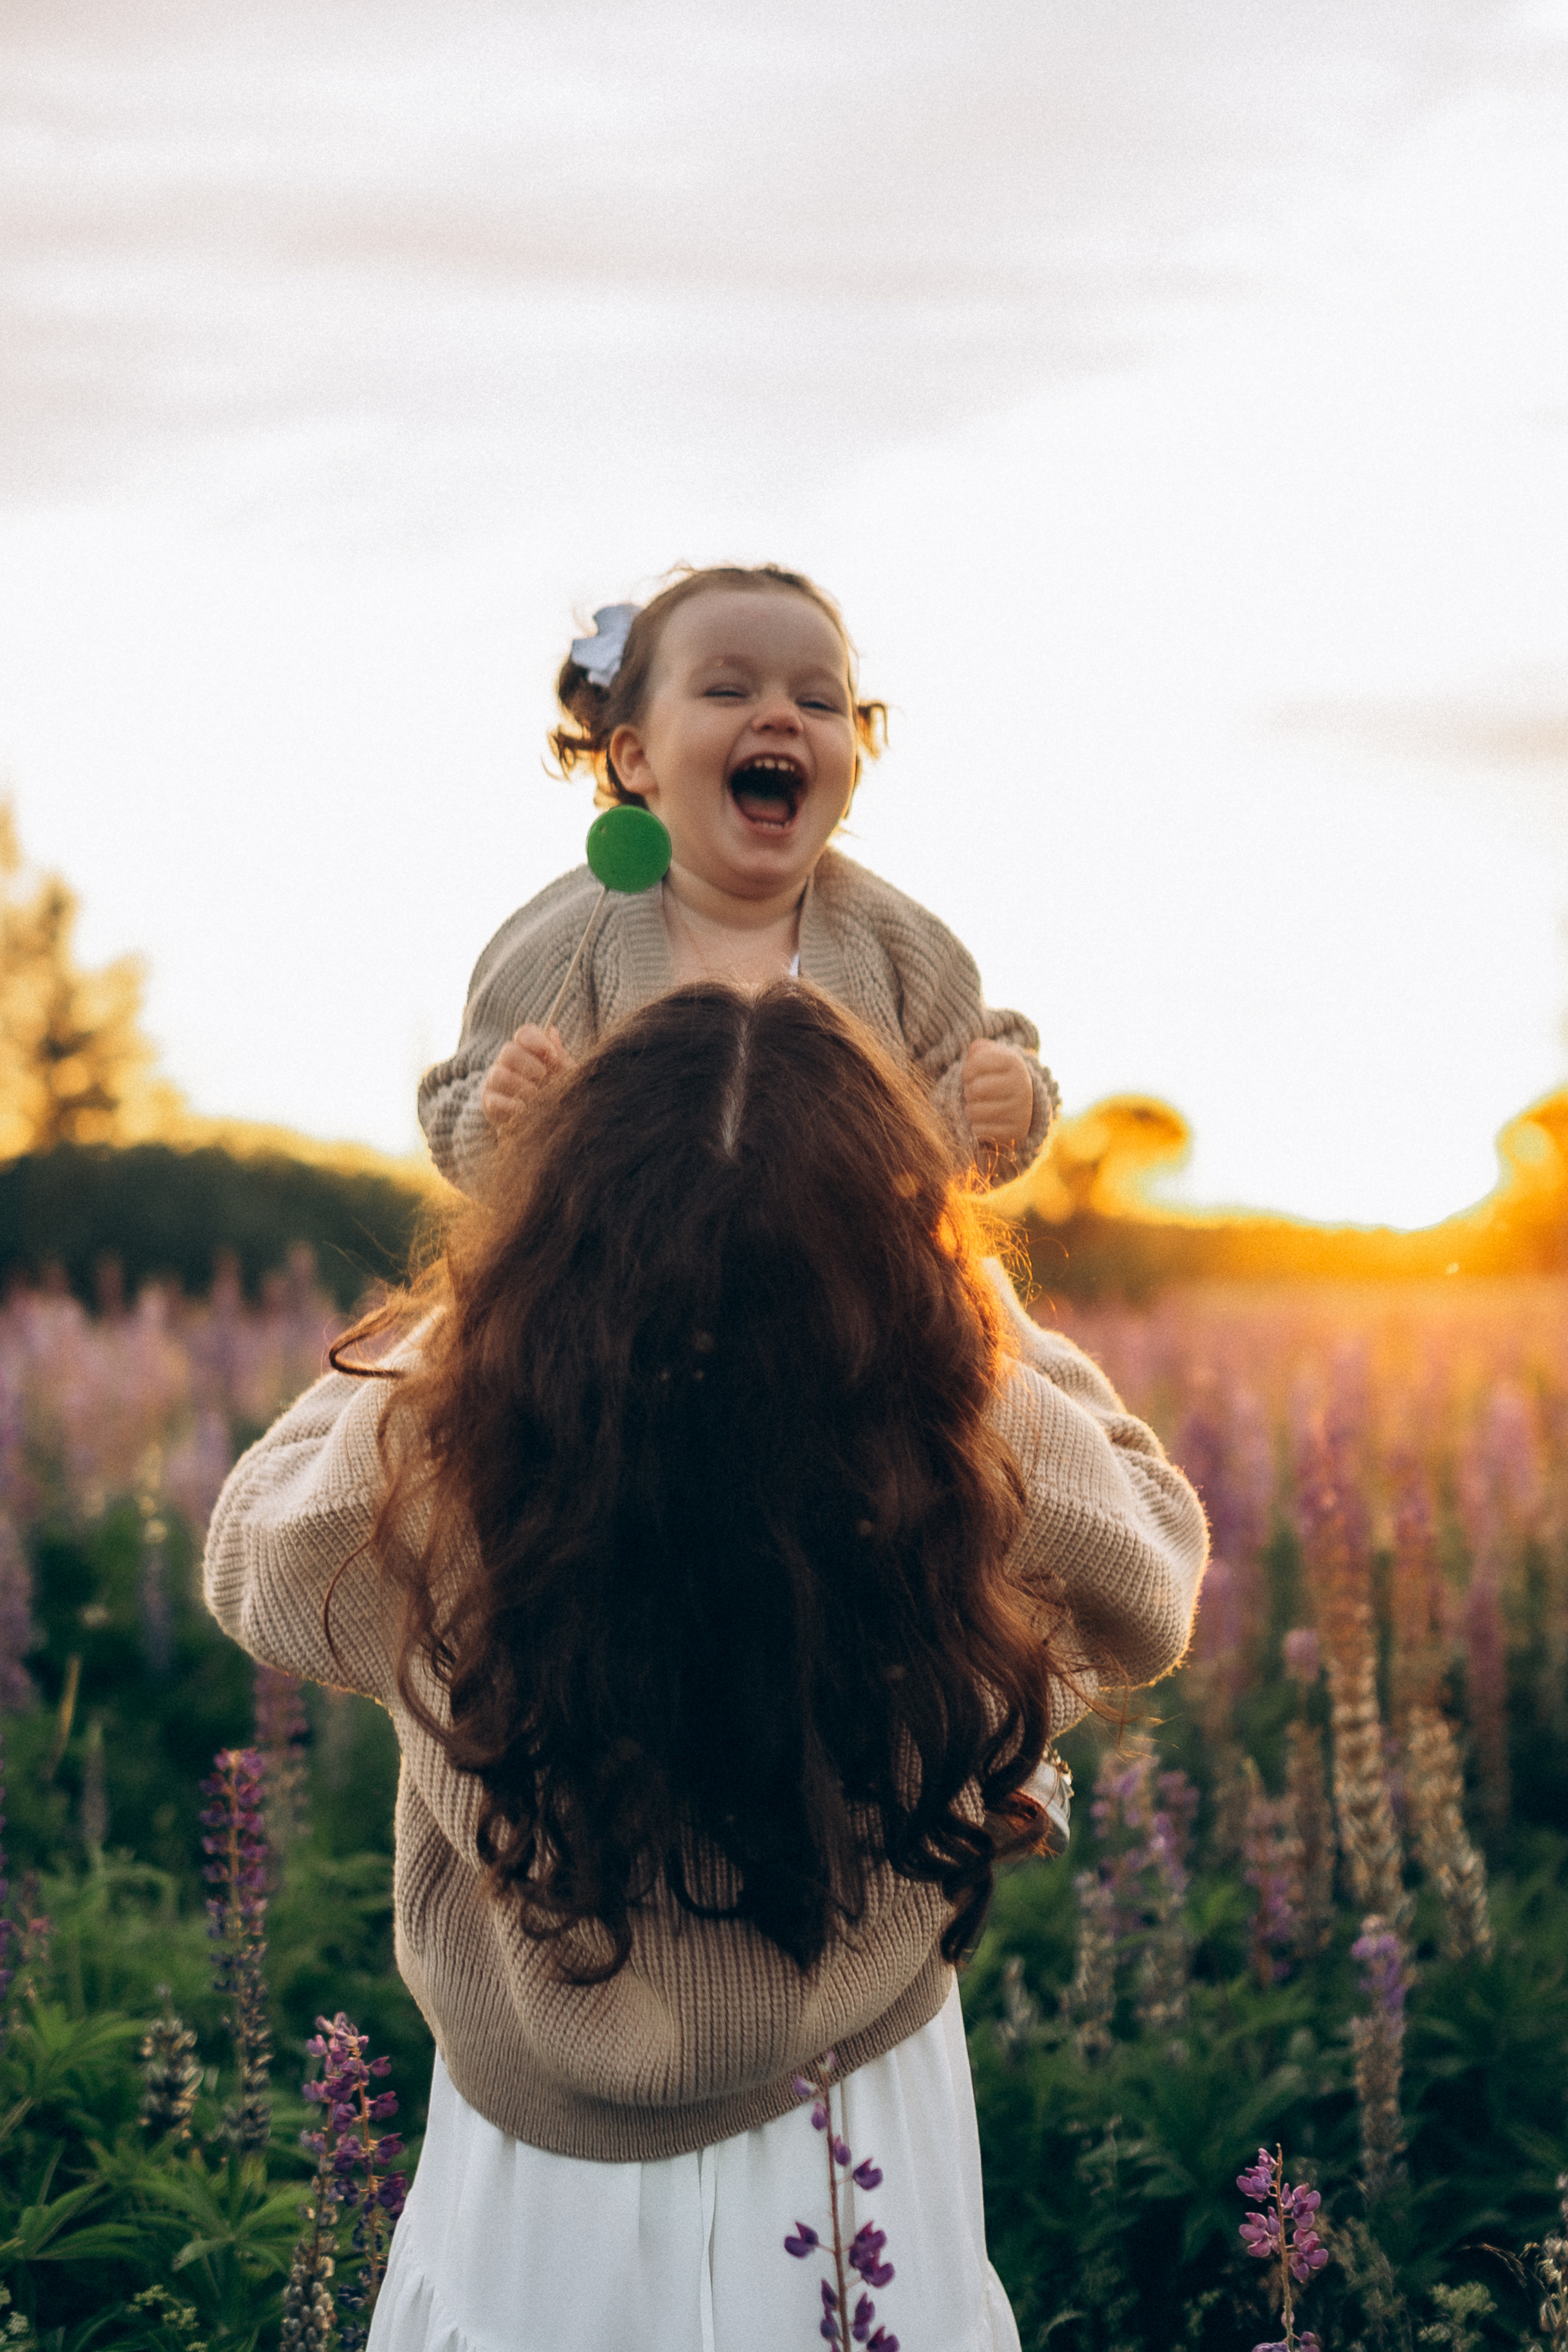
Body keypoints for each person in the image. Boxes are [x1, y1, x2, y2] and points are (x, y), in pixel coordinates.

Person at [206, 986, 1207, 2352]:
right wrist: (975, 1320)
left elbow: (251, 1546)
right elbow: (1149, 1560)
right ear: (908, 1298)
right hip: (862, 2135)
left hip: (533, 2181)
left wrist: (471, 1318)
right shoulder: (940, 1481)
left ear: (553, 1258)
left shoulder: (454, 1486)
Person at [417, 563, 1060, 1198]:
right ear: (636, 758)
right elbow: (460, 1109)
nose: (782, 716)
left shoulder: (898, 946)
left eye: (817, 701)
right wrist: (504, 1119)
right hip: (620, 1284)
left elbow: (953, 1113)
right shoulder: (565, 943)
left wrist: (1004, 1105)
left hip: (848, 1282)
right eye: (728, 691)